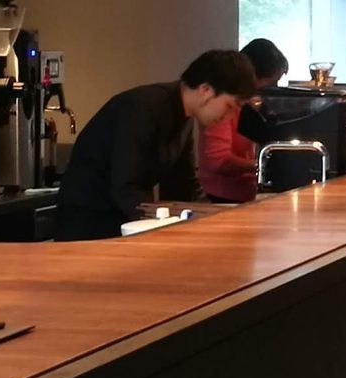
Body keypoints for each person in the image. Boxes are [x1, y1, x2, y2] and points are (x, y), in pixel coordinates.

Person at [53, 48, 259, 240]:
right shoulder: (144, 107)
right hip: (88, 222)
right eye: (230, 106)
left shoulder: (184, 116)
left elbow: (184, 185)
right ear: (205, 90)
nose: (229, 116)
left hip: (117, 218)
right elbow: (126, 186)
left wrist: (215, 220)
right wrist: (162, 230)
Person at [197, 39, 290, 203]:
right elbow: (218, 161)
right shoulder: (223, 105)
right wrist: (264, 165)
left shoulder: (251, 104)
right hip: (223, 197)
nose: (275, 89)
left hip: (247, 193)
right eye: (272, 83)